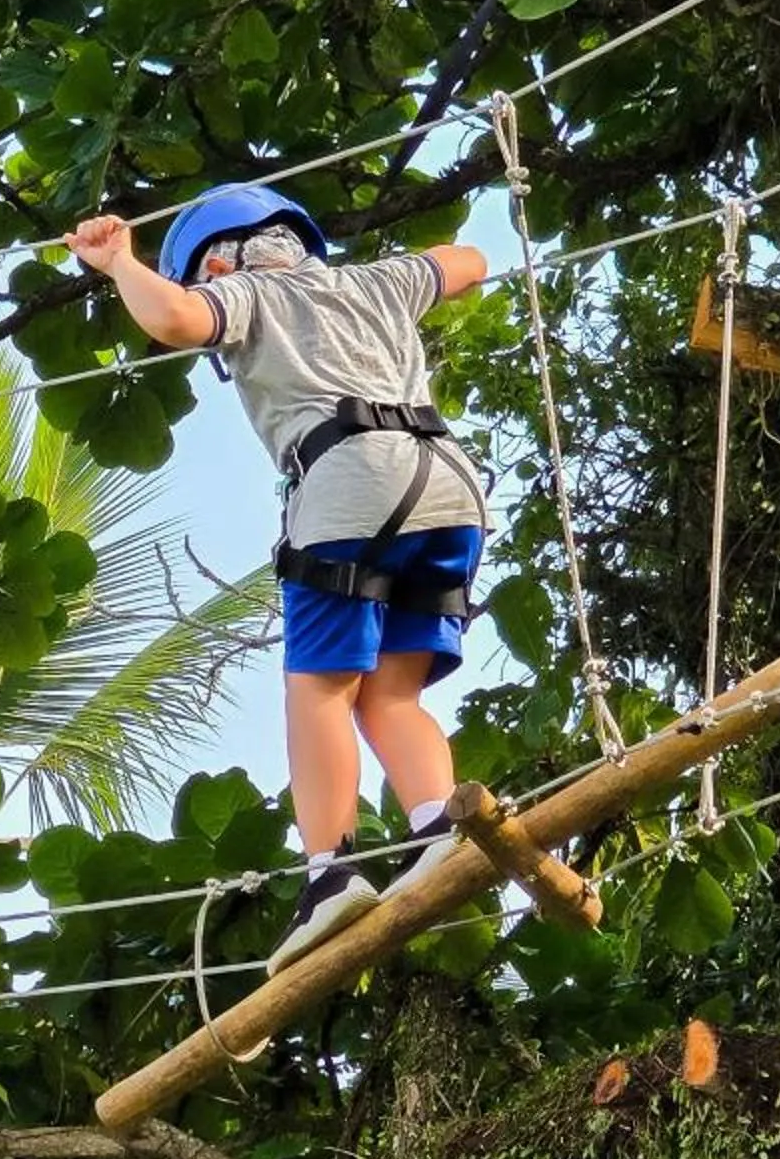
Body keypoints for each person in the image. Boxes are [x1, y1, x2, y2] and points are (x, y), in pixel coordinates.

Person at [67, 182, 488, 972]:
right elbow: (469, 262)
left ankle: (332, 873)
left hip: (347, 479)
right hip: (450, 484)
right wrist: (414, 271)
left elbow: (172, 320)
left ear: (219, 260)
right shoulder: (372, 281)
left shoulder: (247, 292)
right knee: (392, 692)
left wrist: (118, 261)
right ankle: (437, 827)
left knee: (320, 686)